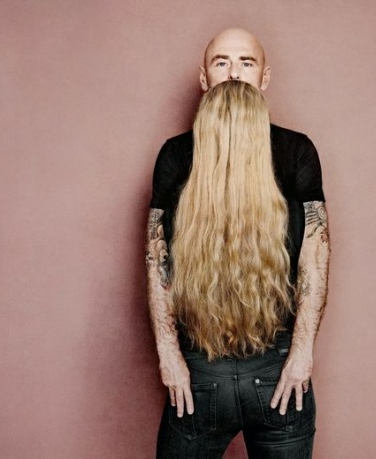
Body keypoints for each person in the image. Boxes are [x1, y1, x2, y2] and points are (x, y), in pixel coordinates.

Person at [145, 28, 330, 459]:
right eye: (221, 62)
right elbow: (157, 261)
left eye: (246, 63)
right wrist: (168, 356)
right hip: (198, 370)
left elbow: (315, 257)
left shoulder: (297, 151)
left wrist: (302, 354)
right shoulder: (175, 155)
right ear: (204, 78)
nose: (233, 73)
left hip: (277, 366)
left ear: (264, 77)